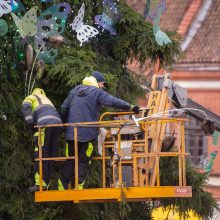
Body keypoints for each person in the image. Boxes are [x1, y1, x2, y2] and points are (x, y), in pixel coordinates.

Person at [58, 71, 139, 190]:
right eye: (102, 84)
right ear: (97, 82)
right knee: (84, 160)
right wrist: (130, 107)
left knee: (70, 159)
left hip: (71, 134)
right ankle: (78, 188)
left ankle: (62, 186)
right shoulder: (96, 92)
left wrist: (66, 125)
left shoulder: (74, 90)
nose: (103, 86)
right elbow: (112, 101)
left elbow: (64, 108)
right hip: (88, 134)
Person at [21, 88, 62, 192]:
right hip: (58, 124)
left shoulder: (32, 97)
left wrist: (30, 123)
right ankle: (45, 183)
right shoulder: (48, 100)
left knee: (41, 153)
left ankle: (40, 183)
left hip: (44, 124)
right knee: (50, 155)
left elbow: (25, 107)